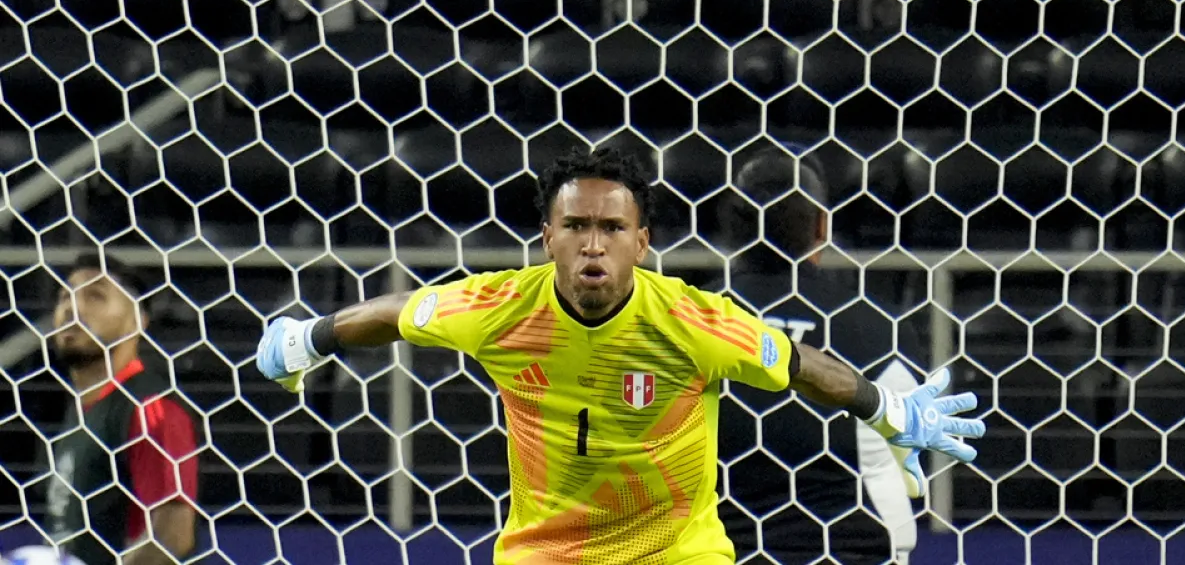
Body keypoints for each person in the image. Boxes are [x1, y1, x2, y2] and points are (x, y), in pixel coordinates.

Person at [256, 147, 984, 565]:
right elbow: (397, 312)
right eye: (576, 224)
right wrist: (309, 336)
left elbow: (797, 361)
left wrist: (889, 407)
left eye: (613, 226)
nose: (594, 242)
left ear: (643, 241)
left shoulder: (689, 316)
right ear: (548, 236)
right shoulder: (499, 305)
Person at [714, 147, 924, 564]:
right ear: (822, 226)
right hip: (853, 553)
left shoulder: (687, 321)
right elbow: (912, 473)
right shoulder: (882, 327)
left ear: (731, 231)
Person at [44, 253, 199, 565]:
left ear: (138, 321)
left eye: (96, 295)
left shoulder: (150, 408)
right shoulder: (81, 411)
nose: (72, 306)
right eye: (65, 295)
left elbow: (173, 534)